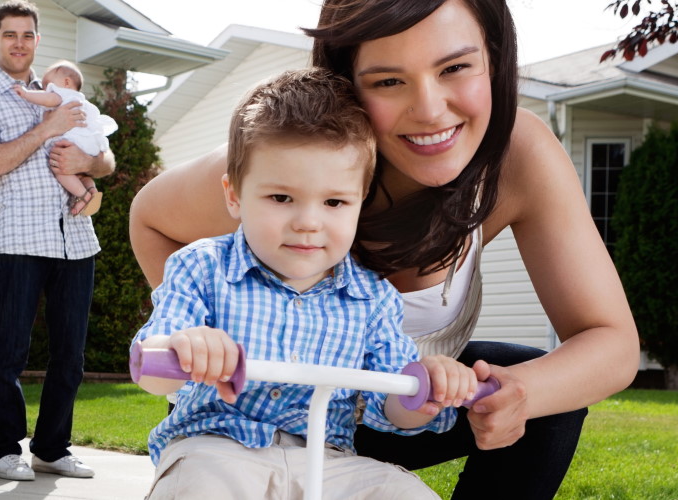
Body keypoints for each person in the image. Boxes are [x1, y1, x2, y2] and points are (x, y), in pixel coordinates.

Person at [128, 0, 640, 498]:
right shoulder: (285, 165)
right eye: (389, 80)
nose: (430, 110)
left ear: (495, 59)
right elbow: (150, 217)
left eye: (456, 66)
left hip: (397, 405)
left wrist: (519, 394)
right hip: (245, 409)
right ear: (345, 84)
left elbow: (611, 342)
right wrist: (199, 346)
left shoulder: (517, 156)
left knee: (545, 395)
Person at [133, 68, 479, 500]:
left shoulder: (372, 298)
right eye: (281, 198)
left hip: (328, 460)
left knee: (404, 493)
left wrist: (424, 388)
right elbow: (153, 371)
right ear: (234, 195)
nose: (308, 223)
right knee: (198, 488)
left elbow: (387, 410)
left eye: (334, 202)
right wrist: (186, 345)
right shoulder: (200, 266)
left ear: (360, 201)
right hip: (217, 449)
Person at [0, 0, 114, 482]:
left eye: (27, 35)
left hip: (76, 239)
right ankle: (3, 450)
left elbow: (106, 159)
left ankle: (51, 447)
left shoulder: (63, 92)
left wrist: (87, 168)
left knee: (70, 354)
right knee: (11, 350)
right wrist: (47, 128)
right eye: (9, 35)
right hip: (21, 239)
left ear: (37, 40)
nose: (19, 43)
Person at [10, 60, 116, 216]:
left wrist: (26, 94)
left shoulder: (61, 94)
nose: (45, 88)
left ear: (66, 82)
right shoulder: (81, 100)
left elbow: (48, 99)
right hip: (89, 143)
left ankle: (84, 196)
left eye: (47, 85)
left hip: (73, 140)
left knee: (61, 169)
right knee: (82, 174)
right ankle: (92, 190)